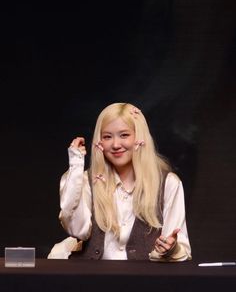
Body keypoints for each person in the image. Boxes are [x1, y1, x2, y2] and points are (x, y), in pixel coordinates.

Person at [52, 102, 191, 261]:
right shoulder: (86, 181)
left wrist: (170, 248)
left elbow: (181, 248)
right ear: (99, 142)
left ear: (140, 137)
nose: (116, 145)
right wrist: (75, 166)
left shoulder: (168, 183)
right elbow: (77, 230)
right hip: (92, 278)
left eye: (124, 135)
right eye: (107, 137)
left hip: (144, 281)